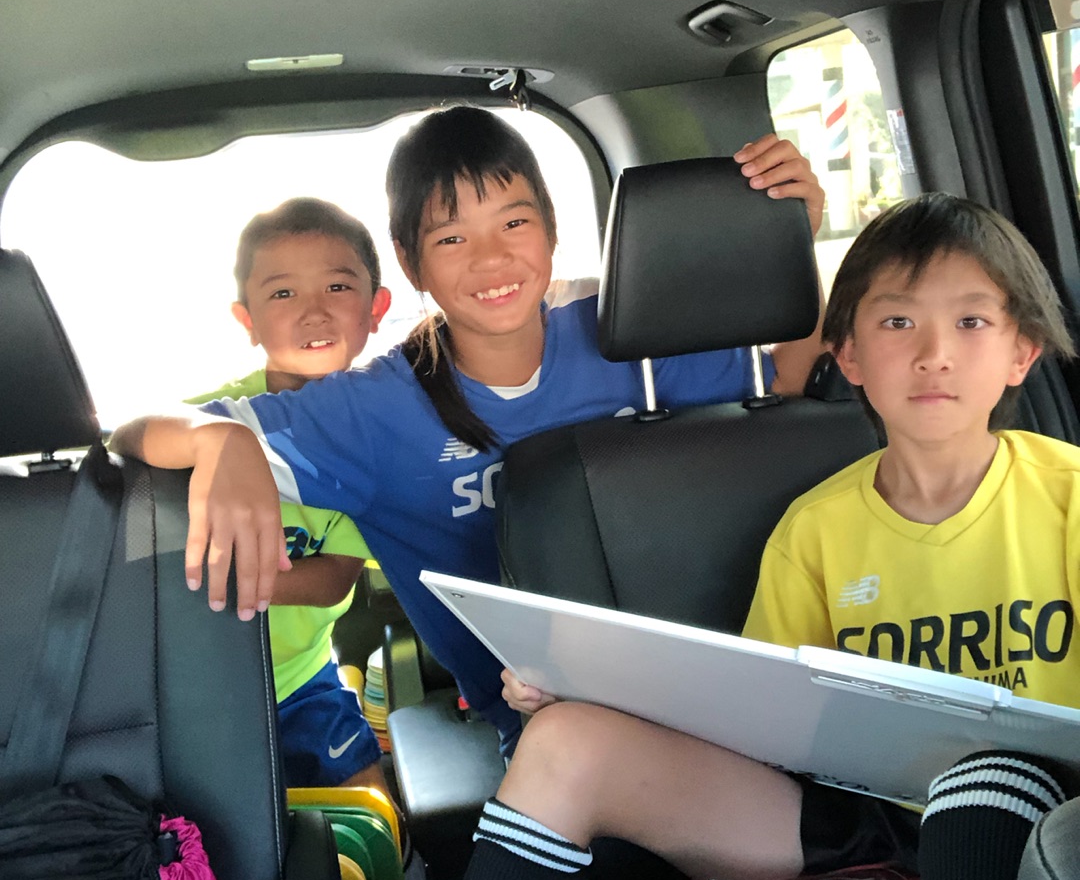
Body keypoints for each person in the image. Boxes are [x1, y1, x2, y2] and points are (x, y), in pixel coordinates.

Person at [445, 192, 1080, 880]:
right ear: (848, 354)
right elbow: (762, 729)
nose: (934, 353)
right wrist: (573, 685)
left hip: (1043, 819)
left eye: (971, 322)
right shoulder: (815, 528)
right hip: (860, 819)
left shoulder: (1067, 499)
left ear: (1022, 352)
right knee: (564, 741)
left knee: (984, 777)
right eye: (898, 322)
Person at [109, 106, 827, 753]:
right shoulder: (374, 412)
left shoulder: (624, 331)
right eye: (451, 237)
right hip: (542, 719)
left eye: (514, 222)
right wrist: (219, 439)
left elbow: (785, 382)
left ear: (551, 226)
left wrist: (796, 236)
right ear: (409, 261)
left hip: (708, 678)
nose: (491, 259)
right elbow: (134, 433)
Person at [185, 196, 392, 791]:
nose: (313, 313)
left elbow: (334, 579)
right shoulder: (221, 416)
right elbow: (130, 434)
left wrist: (226, 580)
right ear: (247, 320)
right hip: (199, 683)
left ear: (376, 308)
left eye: (337, 287)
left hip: (302, 678)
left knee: (372, 808)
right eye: (282, 294)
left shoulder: (373, 439)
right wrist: (218, 440)